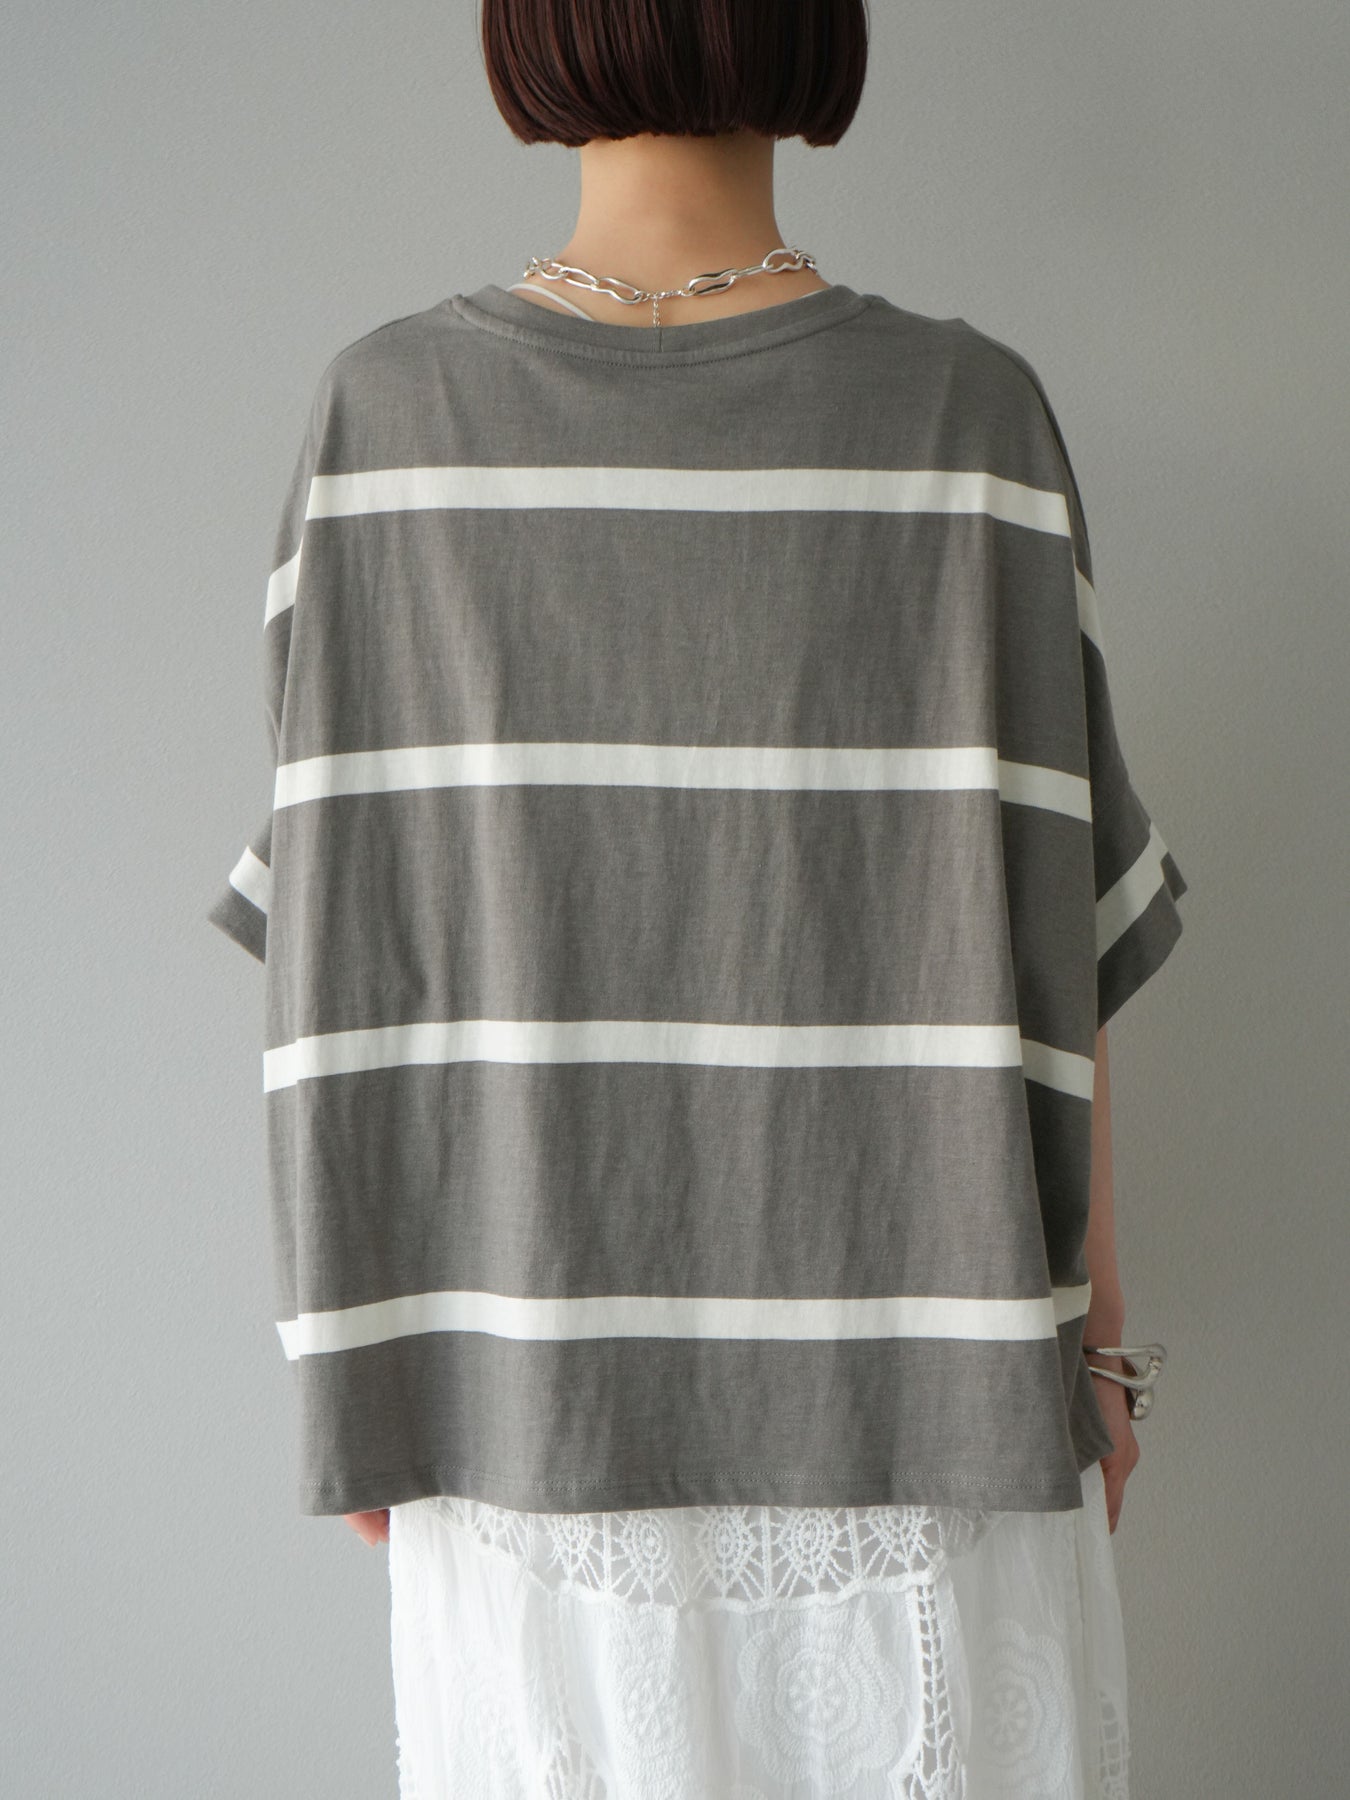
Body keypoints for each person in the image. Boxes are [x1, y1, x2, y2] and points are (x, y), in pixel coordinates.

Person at [208, 3, 1186, 1793]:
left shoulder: (385, 422)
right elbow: (1055, 936)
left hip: (523, 1417)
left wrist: (364, 1369)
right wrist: (1099, 1359)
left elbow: (345, 954)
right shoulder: (966, 413)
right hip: (934, 1414)